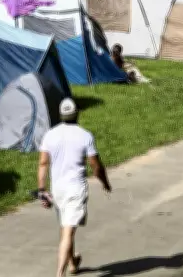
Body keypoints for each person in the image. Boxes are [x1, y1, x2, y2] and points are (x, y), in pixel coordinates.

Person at [38, 98, 112, 277]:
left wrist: (42, 190)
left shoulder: (50, 135)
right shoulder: (85, 135)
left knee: (66, 228)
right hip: (75, 189)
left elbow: (43, 163)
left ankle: (73, 263)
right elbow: (96, 166)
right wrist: (105, 183)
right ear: (77, 113)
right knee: (68, 232)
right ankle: (59, 273)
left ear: (61, 115)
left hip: (58, 190)